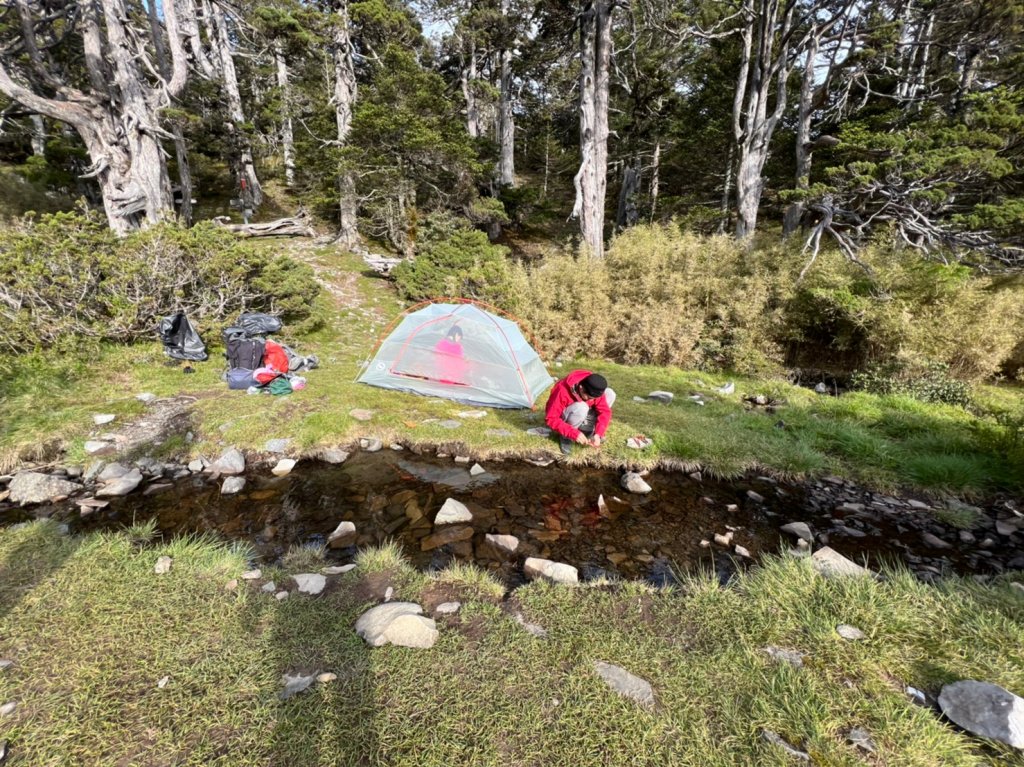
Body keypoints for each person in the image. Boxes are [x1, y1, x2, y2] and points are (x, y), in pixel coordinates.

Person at [544, 370, 616, 455]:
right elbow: (551, 418)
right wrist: (573, 433)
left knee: (610, 393)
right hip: (567, 416)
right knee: (581, 407)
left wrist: (598, 433)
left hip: (583, 412)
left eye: (594, 398)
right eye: (589, 397)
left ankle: (589, 429)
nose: (592, 400)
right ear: (581, 388)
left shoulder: (593, 386)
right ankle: (565, 437)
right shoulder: (561, 390)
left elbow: (605, 412)